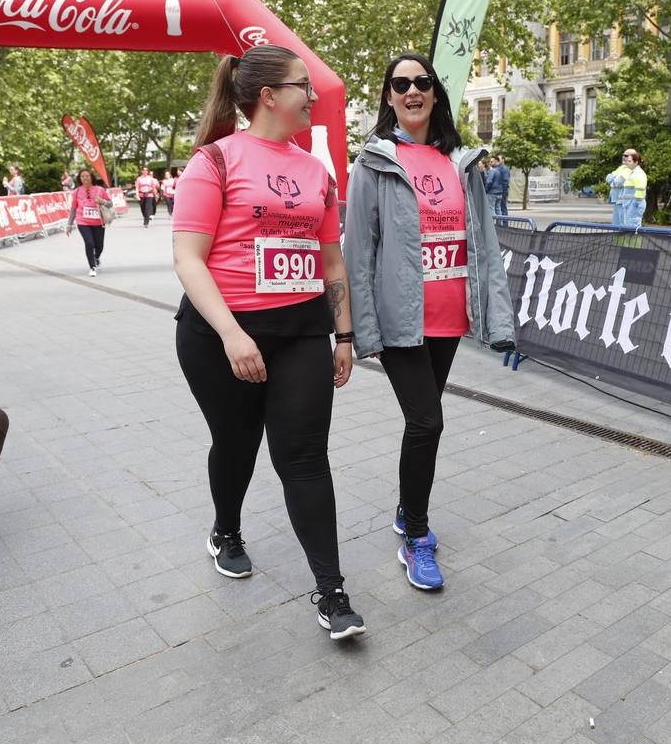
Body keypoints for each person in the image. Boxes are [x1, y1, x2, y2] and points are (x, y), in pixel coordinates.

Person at [172, 45, 366, 640]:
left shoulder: (317, 170)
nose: (312, 97)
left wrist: (345, 335)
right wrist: (233, 335)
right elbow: (188, 258)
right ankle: (225, 530)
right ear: (268, 96)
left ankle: (331, 593)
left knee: (304, 457)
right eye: (302, 86)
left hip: (303, 330)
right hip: (219, 335)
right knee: (236, 445)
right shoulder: (215, 161)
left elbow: (331, 260)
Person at [345, 53, 516, 592]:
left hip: (447, 321)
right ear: (389, 97)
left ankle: (405, 510)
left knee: (425, 422)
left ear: (436, 94)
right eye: (400, 83)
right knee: (428, 422)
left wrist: (496, 316)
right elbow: (359, 253)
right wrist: (357, 331)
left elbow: (484, 246)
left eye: (422, 82)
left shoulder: (461, 162)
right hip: (401, 321)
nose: (412, 90)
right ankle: (414, 533)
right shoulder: (374, 162)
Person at [65, 167, 112, 277]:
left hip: (98, 222)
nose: (85, 178)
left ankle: (96, 258)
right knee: (89, 243)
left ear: (91, 177)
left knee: (99, 246)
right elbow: (73, 209)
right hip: (83, 222)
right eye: (82, 176)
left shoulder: (100, 189)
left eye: (87, 176)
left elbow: (110, 204)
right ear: (79, 178)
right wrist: (69, 224)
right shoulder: (76, 192)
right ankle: (92, 267)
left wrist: (103, 201)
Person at [606, 148, 647, 229]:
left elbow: (617, 183)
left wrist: (614, 182)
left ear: (635, 160)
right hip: (622, 202)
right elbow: (609, 178)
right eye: (623, 155)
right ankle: (621, 241)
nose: (624, 157)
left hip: (628, 203)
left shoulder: (634, 172)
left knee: (629, 227)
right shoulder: (622, 168)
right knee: (619, 228)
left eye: (626, 156)